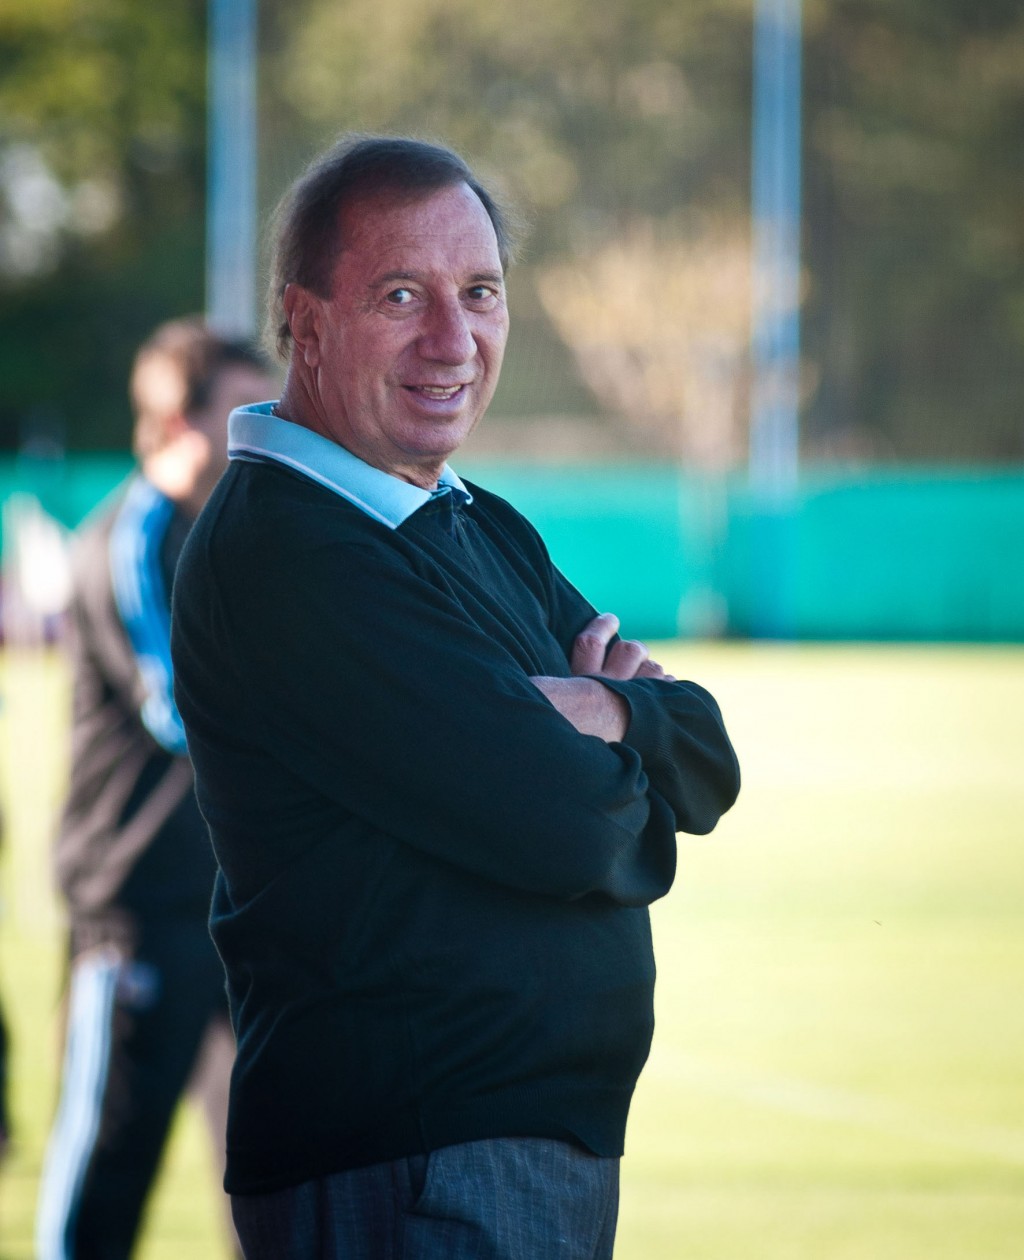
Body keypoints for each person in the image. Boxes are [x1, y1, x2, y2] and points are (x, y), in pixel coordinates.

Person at [170, 135, 741, 1260]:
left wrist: (609, 715)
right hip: (412, 1166)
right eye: (401, 295)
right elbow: (569, 827)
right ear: (305, 321)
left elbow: (710, 759)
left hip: (496, 1154)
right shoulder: (294, 552)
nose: (452, 338)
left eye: (479, 292)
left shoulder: (468, 519)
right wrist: (613, 755)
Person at [36, 318, 276, 1260]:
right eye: (243, 411)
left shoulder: (236, 532)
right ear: (180, 421)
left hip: (237, 912)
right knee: (105, 1185)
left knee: (275, 1181)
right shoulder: (128, 542)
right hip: (139, 914)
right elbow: (184, 712)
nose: (264, 429)